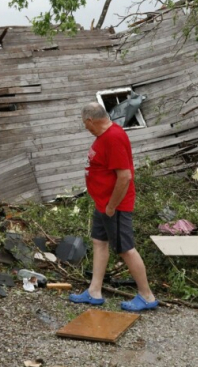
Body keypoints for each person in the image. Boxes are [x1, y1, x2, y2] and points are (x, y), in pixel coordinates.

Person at [70, 102, 158, 311]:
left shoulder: (114, 138)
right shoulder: (104, 136)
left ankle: (146, 295)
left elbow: (125, 176)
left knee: (126, 249)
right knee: (99, 242)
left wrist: (111, 207)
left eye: (85, 124)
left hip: (114, 206)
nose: (86, 128)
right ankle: (94, 291)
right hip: (102, 203)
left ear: (91, 121)